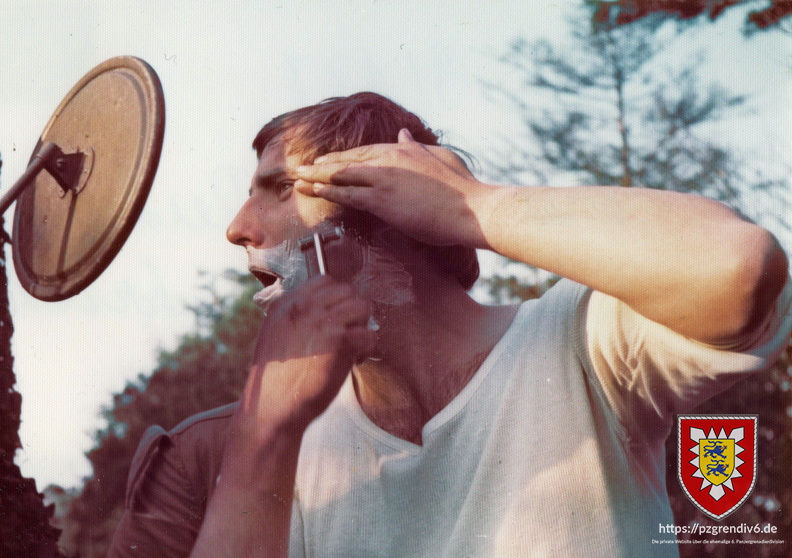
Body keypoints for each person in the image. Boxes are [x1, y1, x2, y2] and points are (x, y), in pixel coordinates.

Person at [108, 92, 791, 557]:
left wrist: (473, 206)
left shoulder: (578, 344)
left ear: (385, 200)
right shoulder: (275, 450)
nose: (236, 229)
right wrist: (264, 436)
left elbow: (741, 267)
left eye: (280, 189)